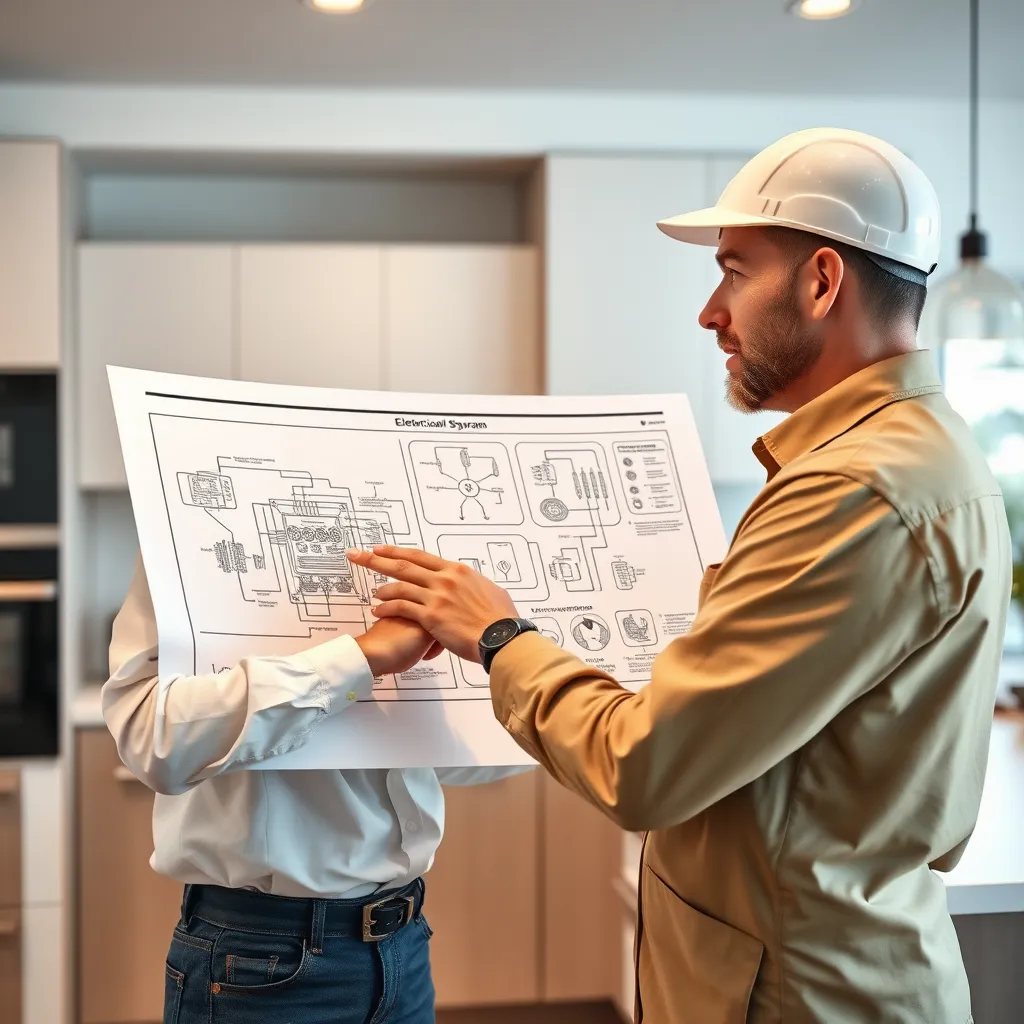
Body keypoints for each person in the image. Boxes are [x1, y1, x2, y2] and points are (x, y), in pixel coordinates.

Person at [348, 128, 1012, 1023]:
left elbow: (646, 767)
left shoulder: (853, 490)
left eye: (735, 271)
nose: (710, 311)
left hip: (804, 996)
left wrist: (498, 636)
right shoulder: (918, 452)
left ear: (821, 281)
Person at [104, 556, 526, 1024]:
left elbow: (437, 760)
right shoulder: (185, 538)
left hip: (404, 946)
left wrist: (556, 708)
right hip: (263, 963)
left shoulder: (416, 543)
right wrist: (362, 657)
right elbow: (156, 741)